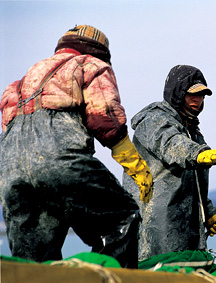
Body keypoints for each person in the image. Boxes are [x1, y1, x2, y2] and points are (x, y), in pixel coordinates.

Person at [0, 25, 153, 268]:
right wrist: (136, 166)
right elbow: (105, 117)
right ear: (99, 51)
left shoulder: (19, 84)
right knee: (121, 218)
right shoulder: (88, 65)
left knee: (32, 263)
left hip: (10, 171)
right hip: (60, 162)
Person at [123, 64, 216, 260]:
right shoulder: (154, 120)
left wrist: (208, 212)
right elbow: (169, 142)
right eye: (192, 95)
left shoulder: (192, 132)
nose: (197, 101)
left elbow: (193, 183)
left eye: (201, 96)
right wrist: (197, 153)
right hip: (154, 225)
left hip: (185, 229)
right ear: (177, 93)